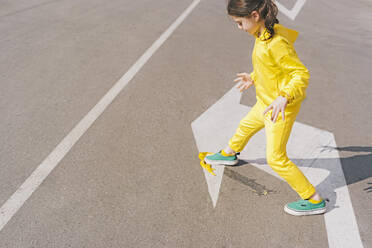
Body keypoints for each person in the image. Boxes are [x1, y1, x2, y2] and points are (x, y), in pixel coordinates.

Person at [204, 0, 326, 216]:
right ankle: (229, 154)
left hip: (280, 109)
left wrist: (284, 97)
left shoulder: (276, 42)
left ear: (254, 16)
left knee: (276, 158)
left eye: (239, 22)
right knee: (246, 126)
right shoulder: (263, 34)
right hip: (266, 102)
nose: (238, 27)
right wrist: (253, 77)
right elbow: (270, 67)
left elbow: (300, 74)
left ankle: (313, 199)